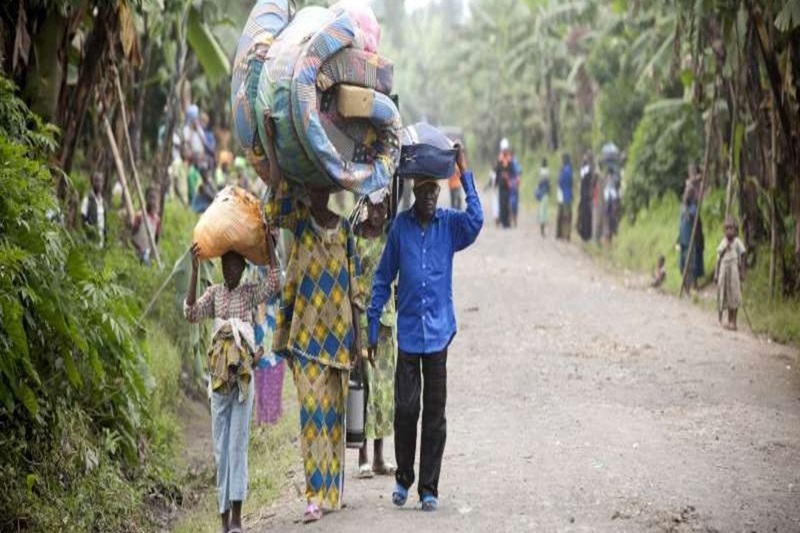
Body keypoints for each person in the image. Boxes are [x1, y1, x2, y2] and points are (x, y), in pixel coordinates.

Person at [367, 132, 483, 512]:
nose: (430, 198)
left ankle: (428, 488)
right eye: (425, 193)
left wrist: (464, 174)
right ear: (415, 194)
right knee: (405, 410)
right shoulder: (400, 228)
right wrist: (371, 328)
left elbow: (477, 219)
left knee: (435, 414)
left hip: (438, 335)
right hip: (409, 335)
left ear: (439, 193)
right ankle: (403, 477)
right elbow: (383, 279)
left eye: (435, 192)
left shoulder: (450, 226)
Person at [262, 114, 363, 523]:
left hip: (339, 338)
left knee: (333, 417)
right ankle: (313, 496)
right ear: (309, 188)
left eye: (325, 186)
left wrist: (359, 341)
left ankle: (329, 491)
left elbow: (355, 289)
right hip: (305, 335)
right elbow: (271, 206)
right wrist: (273, 147)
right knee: (311, 415)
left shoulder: (344, 232)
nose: (319, 194)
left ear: (332, 189)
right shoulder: (299, 223)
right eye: (314, 186)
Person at [184, 234, 280, 533]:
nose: (230, 271)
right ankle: (223, 518)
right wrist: (196, 270)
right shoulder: (213, 294)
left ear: (243, 267)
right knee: (220, 449)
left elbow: (275, 281)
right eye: (226, 265)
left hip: (242, 379)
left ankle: (237, 518)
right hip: (218, 381)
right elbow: (190, 313)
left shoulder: (249, 293)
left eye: (235, 266)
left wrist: (270, 246)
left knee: (237, 445)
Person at [355, 188, 397, 479]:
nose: (378, 213)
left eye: (383, 208)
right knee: (363, 387)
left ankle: (381, 457)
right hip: (361, 319)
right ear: (366, 206)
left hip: (386, 322)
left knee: (384, 390)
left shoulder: (390, 236)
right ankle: (362, 457)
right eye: (374, 207)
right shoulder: (355, 237)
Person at [678, 163, 705, 291]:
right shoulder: (689, 186)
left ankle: (694, 283)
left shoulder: (698, 186)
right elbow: (686, 200)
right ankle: (687, 284)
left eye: (694, 170)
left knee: (696, 251)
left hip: (695, 225)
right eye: (691, 171)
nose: (693, 173)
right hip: (687, 228)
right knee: (688, 254)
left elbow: (700, 198)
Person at [715, 217, 746, 330]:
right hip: (724, 271)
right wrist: (716, 274)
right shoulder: (723, 242)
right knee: (727, 295)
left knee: (735, 295)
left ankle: (734, 321)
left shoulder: (737, 242)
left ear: (736, 230)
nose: (729, 231)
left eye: (731, 228)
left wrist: (742, 271)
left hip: (734, 271)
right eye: (727, 228)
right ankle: (729, 321)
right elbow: (718, 258)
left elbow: (743, 255)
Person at [131, 188, 162, 266]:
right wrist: (138, 249)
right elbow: (132, 236)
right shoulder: (140, 216)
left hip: (148, 254)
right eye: (150, 197)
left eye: (154, 198)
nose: (152, 201)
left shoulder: (157, 220)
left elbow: (156, 240)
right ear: (146, 199)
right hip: (137, 253)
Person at [494, 138, 517, 229]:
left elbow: (512, 171)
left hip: (508, 184)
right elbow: (497, 171)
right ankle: (503, 221)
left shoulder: (510, 160)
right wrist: (495, 183)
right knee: (502, 203)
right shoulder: (499, 159)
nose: (504, 151)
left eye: (505, 150)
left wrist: (508, 176)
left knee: (507, 203)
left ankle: (507, 222)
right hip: (501, 184)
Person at [80, 171, 106, 248]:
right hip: (90, 241)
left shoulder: (103, 202)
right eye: (96, 181)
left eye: (101, 181)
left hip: (101, 242)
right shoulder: (87, 199)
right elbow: (82, 219)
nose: (99, 184)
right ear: (92, 183)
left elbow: (104, 222)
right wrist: (89, 232)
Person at [556, 153, 574, 241]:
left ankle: (562, 234)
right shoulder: (570, 169)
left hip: (562, 195)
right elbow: (571, 182)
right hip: (568, 195)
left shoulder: (563, 170)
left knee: (563, 215)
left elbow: (560, 182)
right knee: (568, 216)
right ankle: (567, 234)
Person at [577, 153, 594, 241]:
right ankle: (584, 233)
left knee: (586, 214)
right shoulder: (587, 170)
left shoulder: (587, 170)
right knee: (584, 214)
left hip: (586, 196)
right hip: (585, 195)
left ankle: (586, 234)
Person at [535, 159, 550, 238]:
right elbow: (547, 183)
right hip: (545, 193)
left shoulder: (541, 171)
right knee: (544, 211)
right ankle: (543, 227)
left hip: (542, 193)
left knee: (542, 211)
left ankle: (542, 227)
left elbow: (540, 182)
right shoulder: (547, 171)